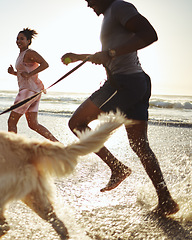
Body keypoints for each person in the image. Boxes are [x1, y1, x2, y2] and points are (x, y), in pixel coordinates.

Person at [61, 0, 179, 216]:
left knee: (77, 123)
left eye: (90, 0)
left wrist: (111, 53)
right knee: (140, 146)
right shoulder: (110, 15)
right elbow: (110, 54)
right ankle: (166, 200)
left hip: (122, 84)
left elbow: (149, 34)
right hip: (136, 82)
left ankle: (117, 167)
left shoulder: (119, 7)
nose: (89, 5)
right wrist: (81, 57)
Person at [7, 28, 58, 142]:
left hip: (27, 92)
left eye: (22, 39)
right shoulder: (21, 55)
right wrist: (13, 73)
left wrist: (30, 73)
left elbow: (45, 64)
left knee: (12, 122)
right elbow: (24, 75)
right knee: (33, 124)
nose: (19, 41)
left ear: (28, 41)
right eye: (17, 38)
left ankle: (13, 150)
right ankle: (58, 144)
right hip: (34, 91)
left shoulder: (29, 53)